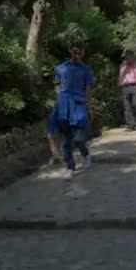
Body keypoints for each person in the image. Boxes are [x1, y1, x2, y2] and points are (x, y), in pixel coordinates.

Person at [53, 42, 94, 181]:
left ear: (83, 53)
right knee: (66, 140)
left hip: (79, 105)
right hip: (64, 106)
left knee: (79, 138)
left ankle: (85, 153)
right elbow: (57, 86)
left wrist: (89, 105)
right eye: (74, 52)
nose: (76, 55)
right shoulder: (60, 68)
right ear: (70, 51)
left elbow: (88, 89)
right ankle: (69, 167)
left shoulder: (86, 70)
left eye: (79, 52)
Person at [118, 52, 136, 131]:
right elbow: (121, 76)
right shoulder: (123, 65)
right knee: (127, 107)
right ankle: (130, 125)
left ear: (134, 57)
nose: (129, 58)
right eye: (127, 57)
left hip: (135, 86)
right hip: (125, 87)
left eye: (131, 56)